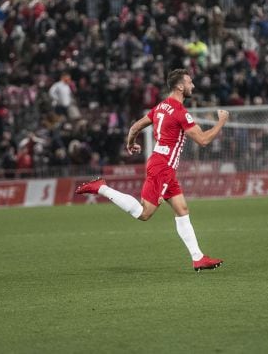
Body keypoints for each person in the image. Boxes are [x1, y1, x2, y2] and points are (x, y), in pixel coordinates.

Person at [75, 68, 230, 272]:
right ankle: (101, 188)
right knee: (144, 213)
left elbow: (134, 128)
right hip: (163, 167)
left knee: (182, 209)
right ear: (180, 86)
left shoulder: (160, 107)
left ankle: (198, 258)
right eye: (190, 82)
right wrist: (221, 122)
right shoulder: (181, 113)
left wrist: (130, 144)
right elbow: (203, 140)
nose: (193, 85)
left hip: (162, 165)